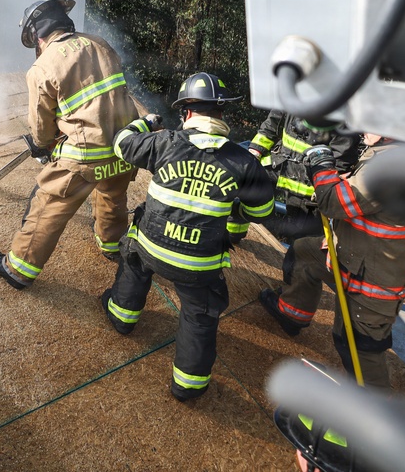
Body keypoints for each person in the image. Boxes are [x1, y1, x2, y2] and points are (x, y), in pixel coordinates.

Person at [99, 72, 275, 401]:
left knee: (133, 263)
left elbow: (121, 144)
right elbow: (261, 212)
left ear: (188, 112)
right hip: (198, 265)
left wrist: (145, 122)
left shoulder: (164, 143)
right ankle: (188, 385)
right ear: (221, 113)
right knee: (199, 314)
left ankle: (121, 317)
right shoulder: (243, 162)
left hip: (151, 247)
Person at [0, 0, 141, 289]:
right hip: (125, 146)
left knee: (48, 205)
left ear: (37, 35)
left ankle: (18, 269)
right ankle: (112, 244)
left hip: (84, 156)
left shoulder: (43, 66)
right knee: (112, 196)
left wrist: (42, 145)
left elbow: (41, 124)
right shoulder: (100, 44)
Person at [259, 132, 405, 389]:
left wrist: (321, 166)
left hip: (373, 282)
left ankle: (372, 405)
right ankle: (292, 314)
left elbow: (334, 202)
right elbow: (364, 199)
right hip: (355, 258)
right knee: (305, 252)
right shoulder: (390, 154)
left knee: (357, 346)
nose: (361, 128)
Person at [228, 111, 362, 247]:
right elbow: (272, 123)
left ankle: (294, 257)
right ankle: (232, 235)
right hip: (279, 165)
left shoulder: (342, 112)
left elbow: (342, 158)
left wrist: (326, 186)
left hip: (309, 185)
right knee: (243, 190)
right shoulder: (292, 100)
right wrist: (255, 151)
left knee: (301, 241)